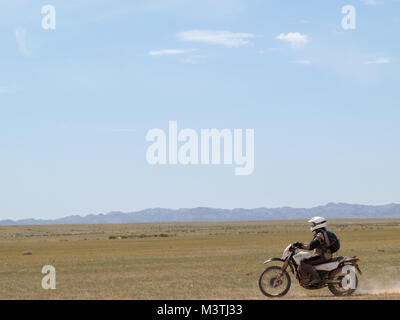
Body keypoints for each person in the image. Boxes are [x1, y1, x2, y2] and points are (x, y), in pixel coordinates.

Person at [292, 216, 333, 286]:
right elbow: (312, 244)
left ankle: (316, 278)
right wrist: (301, 244)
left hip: (323, 256)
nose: (312, 226)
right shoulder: (322, 233)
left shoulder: (320, 234)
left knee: (303, 261)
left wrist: (300, 245)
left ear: (318, 224)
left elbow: (311, 246)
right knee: (307, 259)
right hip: (324, 254)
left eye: (314, 224)